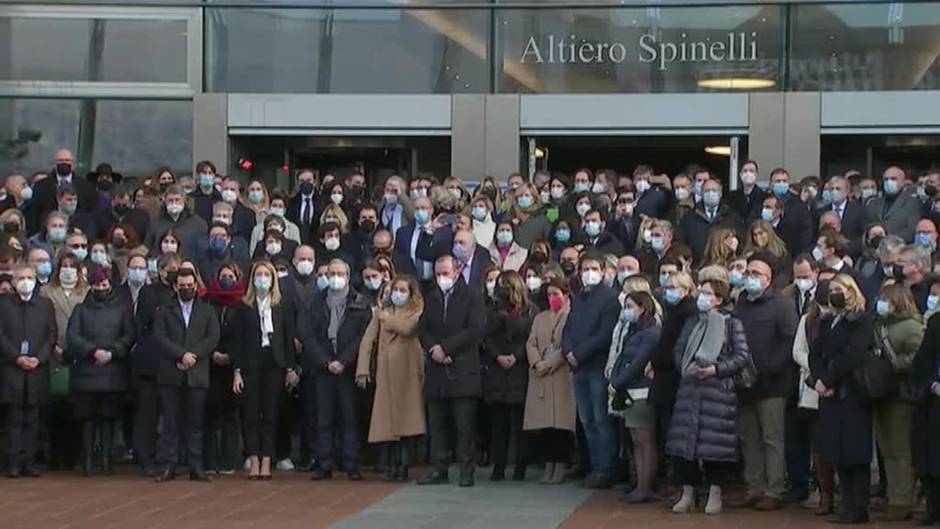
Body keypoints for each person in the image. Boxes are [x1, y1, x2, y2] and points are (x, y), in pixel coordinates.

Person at [668, 278, 751, 515]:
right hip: (689, 389)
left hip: (717, 391)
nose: (702, 297)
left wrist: (716, 369)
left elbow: (741, 355)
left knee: (714, 446)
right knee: (684, 446)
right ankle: (688, 493)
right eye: (700, 292)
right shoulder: (692, 321)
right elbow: (679, 349)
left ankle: (715, 493)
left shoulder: (731, 323)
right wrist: (686, 367)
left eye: (707, 293)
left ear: (719, 298)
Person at [808, 273, 874, 524]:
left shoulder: (861, 322)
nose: (835, 292)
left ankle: (858, 506)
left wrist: (830, 379)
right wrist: (819, 380)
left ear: (851, 291)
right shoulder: (827, 322)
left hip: (852, 394)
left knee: (855, 453)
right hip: (829, 394)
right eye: (832, 288)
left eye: (840, 288)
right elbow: (816, 354)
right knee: (836, 452)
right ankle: (846, 504)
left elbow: (853, 355)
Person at [733, 253, 797, 511]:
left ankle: (775, 489)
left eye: (756, 274)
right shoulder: (741, 303)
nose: (751, 278)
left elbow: (789, 340)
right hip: (743, 382)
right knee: (749, 438)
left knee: (772, 438)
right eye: (748, 273)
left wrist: (771, 367)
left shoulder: (781, 305)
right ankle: (754, 486)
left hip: (772, 383)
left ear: (769, 278)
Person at [417, 255, 486, 487]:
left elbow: (475, 329)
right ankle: (439, 468)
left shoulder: (472, 296)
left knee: (464, 426)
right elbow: (423, 327)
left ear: (457, 272)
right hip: (436, 370)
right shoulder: (431, 296)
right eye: (437, 274)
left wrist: (447, 348)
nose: (441, 278)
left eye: (445, 273)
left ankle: (466, 470)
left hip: (462, 368)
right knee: (437, 424)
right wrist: (433, 348)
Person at [302, 258, 372, 481]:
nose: (335, 277)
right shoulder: (315, 301)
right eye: (331, 273)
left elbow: (363, 336)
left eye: (339, 273)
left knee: (349, 418)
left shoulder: (360, 302)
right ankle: (324, 464)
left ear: (348, 276)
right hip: (323, 368)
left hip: (348, 369)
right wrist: (325, 361)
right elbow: (308, 335)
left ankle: (351, 463)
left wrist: (344, 360)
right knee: (324, 418)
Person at [230, 260, 298, 481]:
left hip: (274, 363)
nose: (262, 279)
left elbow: (288, 339)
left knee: (270, 413)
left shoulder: (281, 305)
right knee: (250, 414)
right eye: (258, 274)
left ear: (273, 279)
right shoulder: (243, 306)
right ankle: (253, 459)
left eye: (266, 275)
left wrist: (290, 367)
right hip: (251, 363)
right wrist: (237, 371)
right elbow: (237, 341)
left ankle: (267, 460)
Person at [66, 265, 136, 476]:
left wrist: (112, 352)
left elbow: (129, 335)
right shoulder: (81, 309)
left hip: (113, 371)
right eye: (96, 285)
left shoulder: (123, 309)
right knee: (87, 418)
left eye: (104, 284)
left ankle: (107, 459)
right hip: (87, 372)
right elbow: (73, 336)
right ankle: (87, 459)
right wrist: (92, 351)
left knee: (109, 417)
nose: (100, 288)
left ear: (110, 285)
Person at [153, 268, 221, 482]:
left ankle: (196, 466)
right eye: (182, 285)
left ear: (196, 285)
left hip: (197, 373)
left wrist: (194, 355)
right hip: (171, 373)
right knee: (170, 423)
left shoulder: (207, 311)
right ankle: (168, 466)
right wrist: (181, 355)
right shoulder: (164, 310)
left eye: (190, 285)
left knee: (195, 424)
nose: (186, 288)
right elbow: (160, 337)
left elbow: (212, 337)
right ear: (175, 286)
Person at [355, 276, 426, 482]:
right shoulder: (380, 313)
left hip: (408, 371)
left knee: (406, 422)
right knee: (387, 423)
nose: (398, 294)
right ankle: (390, 464)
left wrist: (387, 319)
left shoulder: (417, 310)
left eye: (403, 290)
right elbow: (368, 340)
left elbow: (408, 329)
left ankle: (403, 465)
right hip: (385, 372)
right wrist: (363, 369)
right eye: (396, 290)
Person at [562, 253, 620, 488]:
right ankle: (595, 466)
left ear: (604, 270)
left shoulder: (610, 299)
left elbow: (604, 334)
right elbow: (568, 327)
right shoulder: (580, 297)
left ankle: (606, 468)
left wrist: (579, 353)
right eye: (585, 268)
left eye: (594, 268)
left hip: (597, 366)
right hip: (579, 369)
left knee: (600, 420)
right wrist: (567, 350)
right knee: (586, 420)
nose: (589, 273)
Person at [871, 283, 923, 521]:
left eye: (887, 300)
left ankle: (903, 499)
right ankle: (893, 496)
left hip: (901, 395)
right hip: (882, 394)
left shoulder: (911, 327)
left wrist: (892, 363)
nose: (882, 304)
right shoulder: (879, 324)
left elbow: (918, 358)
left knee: (901, 449)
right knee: (887, 449)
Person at [0, 264, 56, 477]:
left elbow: (51, 335)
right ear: (13, 282)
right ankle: (13, 462)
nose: (25, 281)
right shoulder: (4, 304)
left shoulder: (45, 305)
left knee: (33, 418)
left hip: (36, 370)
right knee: (13, 419)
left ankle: (29, 461)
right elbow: (1, 335)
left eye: (29, 277)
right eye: (21, 278)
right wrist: (16, 357)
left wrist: (38, 358)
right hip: (11, 370)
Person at [481, 271, 535, 481]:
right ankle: (499, 465)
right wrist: (497, 356)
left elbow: (530, 337)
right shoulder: (492, 311)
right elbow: (486, 337)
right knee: (498, 423)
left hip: (519, 369)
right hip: (496, 370)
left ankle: (520, 465)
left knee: (519, 423)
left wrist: (516, 356)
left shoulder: (529, 311)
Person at [608, 291, 661, 503]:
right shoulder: (632, 330)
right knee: (636, 441)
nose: (626, 311)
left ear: (643, 308)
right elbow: (622, 357)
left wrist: (617, 382)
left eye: (630, 306)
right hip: (629, 391)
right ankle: (639, 484)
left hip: (642, 391)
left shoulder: (651, 333)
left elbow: (639, 363)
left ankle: (645, 486)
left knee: (645, 441)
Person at [522, 277, 577, 485]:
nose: (552, 298)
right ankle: (548, 465)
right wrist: (537, 363)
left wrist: (550, 363)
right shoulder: (540, 318)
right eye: (549, 295)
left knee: (561, 425)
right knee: (545, 425)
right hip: (541, 377)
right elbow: (531, 342)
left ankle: (561, 465)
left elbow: (567, 344)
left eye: (556, 294)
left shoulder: (571, 316)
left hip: (561, 375)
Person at [40, 255, 88, 470]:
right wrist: (54, 347)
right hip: (52, 352)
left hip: (78, 354)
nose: (68, 270)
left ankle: (73, 454)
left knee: (75, 408)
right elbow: (43, 324)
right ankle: (53, 454)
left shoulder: (86, 292)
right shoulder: (47, 292)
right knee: (54, 406)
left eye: (72, 267)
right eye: (64, 266)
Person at [202, 262, 244, 476]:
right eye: (223, 275)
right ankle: (210, 460)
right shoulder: (209, 302)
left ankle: (229, 460)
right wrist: (213, 353)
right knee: (211, 416)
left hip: (233, 368)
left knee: (231, 416)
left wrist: (232, 356)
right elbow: (204, 331)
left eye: (231, 275)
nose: (226, 279)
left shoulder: (243, 304)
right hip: (211, 365)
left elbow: (244, 336)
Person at [910, 308, 940, 526]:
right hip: (932, 404)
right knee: (931, 459)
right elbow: (921, 362)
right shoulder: (936, 324)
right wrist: (932, 384)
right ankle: (934, 510)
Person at [677, 178, 741, 262]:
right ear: (702, 194)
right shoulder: (689, 217)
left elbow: (741, 241)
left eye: (714, 190)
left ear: (720, 193)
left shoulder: (732, 217)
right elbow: (681, 242)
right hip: (697, 266)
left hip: (725, 265)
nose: (711, 193)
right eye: (707, 191)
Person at [144, 185, 208, 254]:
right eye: (170, 200)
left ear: (184, 200)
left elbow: (203, 251)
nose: (174, 203)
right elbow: (148, 247)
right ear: (165, 201)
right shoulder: (154, 223)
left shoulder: (198, 223)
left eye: (177, 200)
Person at [866, 165, 921, 241]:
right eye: (886, 179)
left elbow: (912, 231)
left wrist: (886, 237)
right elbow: (866, 226)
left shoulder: (912, 203)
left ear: (903, 182)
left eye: (893, 179)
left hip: (899, 248)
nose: (889, 182)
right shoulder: (873, 203)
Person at [816, 176, 866, 242]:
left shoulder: (859, 211)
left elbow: (863, 235)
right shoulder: (821, 212)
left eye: (838, 189)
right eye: (832, 189)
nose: (834, 191)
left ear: (847, 191)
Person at [507, 183, 552, 249]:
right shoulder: (510, 216)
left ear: (534, 198)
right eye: (520, 196)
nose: (523, 198)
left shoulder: (543, 220)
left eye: (527, 195)